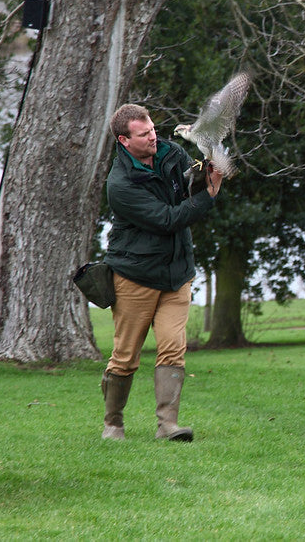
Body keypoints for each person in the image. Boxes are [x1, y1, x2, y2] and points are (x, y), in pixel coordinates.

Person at [99, 103, 224, 441]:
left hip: (177, 275)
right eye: (144, 134)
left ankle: (168, 425)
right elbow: (167, 220)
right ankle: (113, 424)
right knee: (125, 357)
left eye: (153, 128)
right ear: (125, 141)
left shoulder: (172, 152)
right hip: (134, 277)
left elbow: (191, 183)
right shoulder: (120, 185)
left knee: (173, 348)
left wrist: (209, 173)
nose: (154, 136)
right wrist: (209, 197)